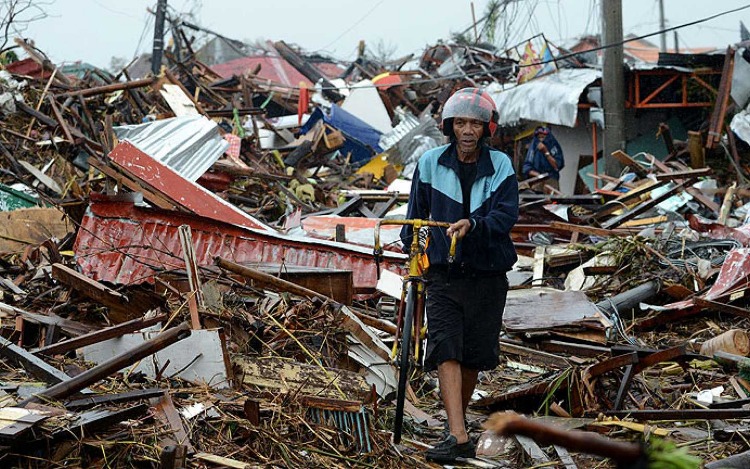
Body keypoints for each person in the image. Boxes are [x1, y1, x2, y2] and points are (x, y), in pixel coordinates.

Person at [401, 87, 519, 464]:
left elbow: (506, 216)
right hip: (443, 276)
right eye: (461, 122)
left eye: (475, 123)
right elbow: (414, 217)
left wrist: (474, 224)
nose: (468, 129)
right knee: (445, 349)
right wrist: (413, 253)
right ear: (449, 126)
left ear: (487, 128)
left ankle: (457, 427)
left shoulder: (500, 166)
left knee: (472, 357)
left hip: (487, 274)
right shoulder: (430, 163)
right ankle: (457, 434)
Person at [521, 126, 565, 193]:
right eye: (539, 137)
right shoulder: (534, 147)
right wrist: (538, 175)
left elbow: (557, 166)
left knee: (552, 200)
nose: (541, 140)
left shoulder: (553, 146)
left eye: (543, 137)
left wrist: (545, 151)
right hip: (537, 181)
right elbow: (526, 167)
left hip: (551, 179)